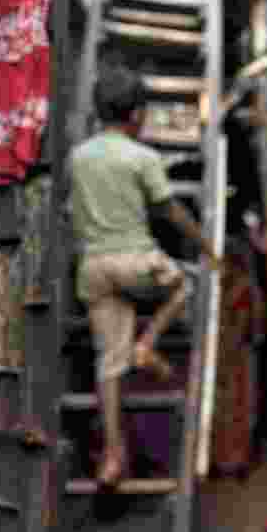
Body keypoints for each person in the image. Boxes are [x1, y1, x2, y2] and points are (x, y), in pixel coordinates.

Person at [68, 65, 219, 486]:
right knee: (183, 284)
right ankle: (148, 344)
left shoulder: (78, 158)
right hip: (136, 262)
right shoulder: (143, 157)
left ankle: (113, 456)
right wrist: (208, 248)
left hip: (94, 270)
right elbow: (171, 210)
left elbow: (72, 209)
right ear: (136, 115)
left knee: (108, 364)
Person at [210, 235, 265, 478]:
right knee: (227, 408)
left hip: (236, 357)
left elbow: (252, 329)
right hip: (227, 358)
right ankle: (226, 461)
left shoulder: (242, 288)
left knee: (237, 407)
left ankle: (235, 460)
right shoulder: (218, 289)